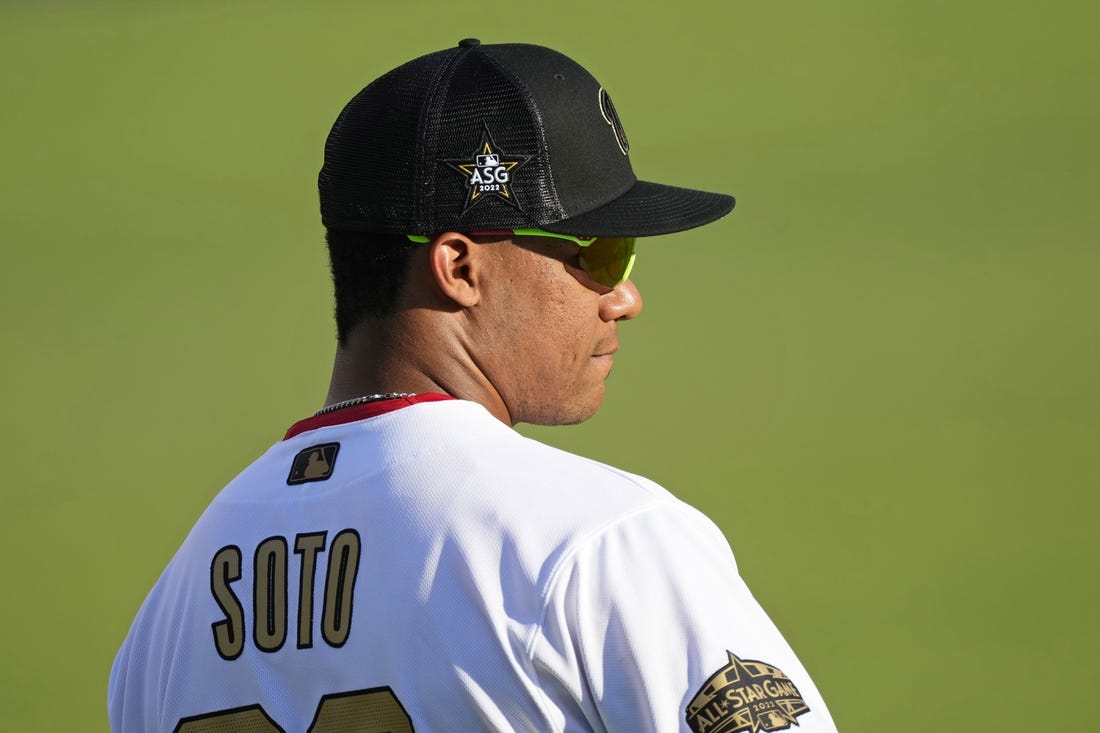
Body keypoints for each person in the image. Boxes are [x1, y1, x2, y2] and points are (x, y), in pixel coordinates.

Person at [108, 39, 838, 733]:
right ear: (459, 267)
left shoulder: (168, 614)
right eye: (599, 253)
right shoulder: (598, 541)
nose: (623, 297)